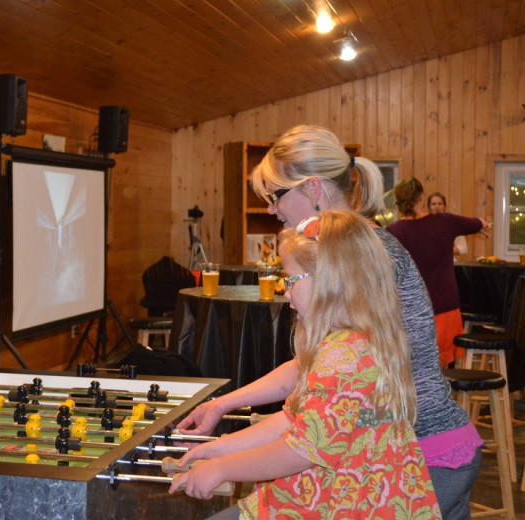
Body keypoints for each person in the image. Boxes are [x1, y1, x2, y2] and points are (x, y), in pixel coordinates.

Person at [176, 125, 482, 519]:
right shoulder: (347, 251)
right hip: (384, 453)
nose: (272, 209)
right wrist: (223, 405)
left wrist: (225, 455)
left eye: (276, 195)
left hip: (421, 455)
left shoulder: (362, 256)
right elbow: (316, 367)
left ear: (313, 189)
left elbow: (318, 412)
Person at [170, 211, 442, 518]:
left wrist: (222, 468)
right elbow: (292, 421)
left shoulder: (347, 357)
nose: (285, 292)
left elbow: (301, 449)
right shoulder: (342, 343)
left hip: (349, 505)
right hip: (331, 494)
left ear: (330, 282)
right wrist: (219, 447)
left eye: (291, 280)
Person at [388, 179, 489, 366]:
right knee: (442, 373)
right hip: (445, 311)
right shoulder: (443, 222)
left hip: (410, 313)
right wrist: (481, 225)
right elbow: (475, 223)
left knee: (413, 372)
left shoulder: (393, 232)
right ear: (421, 197)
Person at [427, 192, 468, 258]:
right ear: (429, 207)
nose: (437, 206)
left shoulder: (453, 224)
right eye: (433, 204)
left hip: (448, 264)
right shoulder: (423, 225)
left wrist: (443, 251)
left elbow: (463, 248)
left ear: (444, 206)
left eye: (440, 204)